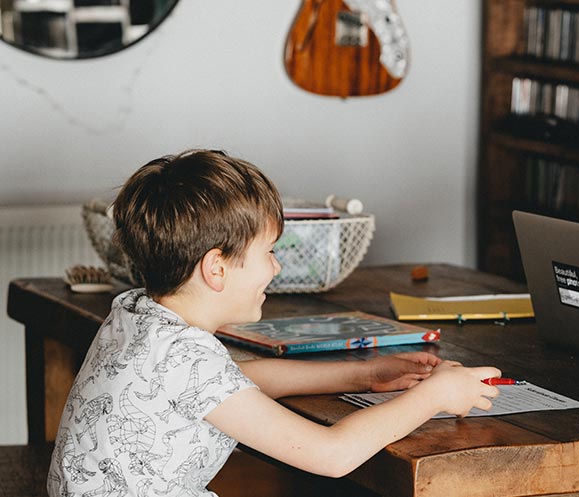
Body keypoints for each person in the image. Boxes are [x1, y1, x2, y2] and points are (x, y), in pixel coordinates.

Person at [47, 150, 501, 496]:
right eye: (269, 252)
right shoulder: (186, 356)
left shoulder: (136, 314)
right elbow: (333, 454)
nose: (277, 268)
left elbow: (237, 381)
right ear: (217, 268)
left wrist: (365, 372)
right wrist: (435, 394)